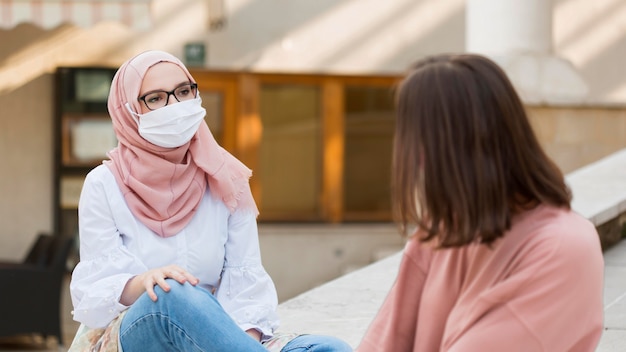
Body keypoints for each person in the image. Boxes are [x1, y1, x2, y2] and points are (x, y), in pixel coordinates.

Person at [68, 50, 352, 352]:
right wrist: (144, 281)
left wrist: (244, 343)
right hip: (133, 336)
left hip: (212, 338)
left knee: (328, 348)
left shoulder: (226, 178)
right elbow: (93, 296)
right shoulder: (104, 183)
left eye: (183, 91)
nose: (175, 106)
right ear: (128, 111)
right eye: (155, 98)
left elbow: (246, 283)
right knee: (171, 291)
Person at [357, 54, 604, 351]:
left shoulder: (562, 248)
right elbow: (384, 342)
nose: (411, 158)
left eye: (417, 139)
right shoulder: (442, 231)